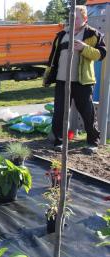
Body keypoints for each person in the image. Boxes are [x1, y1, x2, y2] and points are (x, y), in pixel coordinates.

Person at [44, 5, 106, 153]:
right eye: (71, 17)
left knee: (87, 113)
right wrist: (48, 75)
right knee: (59, 112)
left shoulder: (93, 34)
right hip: (62, 80)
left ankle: (92, 142)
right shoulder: (61, 34)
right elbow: (53, 58)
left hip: (82, 82)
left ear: (85, 18)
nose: (73, 20)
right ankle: (58, 141)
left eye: (76, 17)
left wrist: (84, 48)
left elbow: (101, 55)